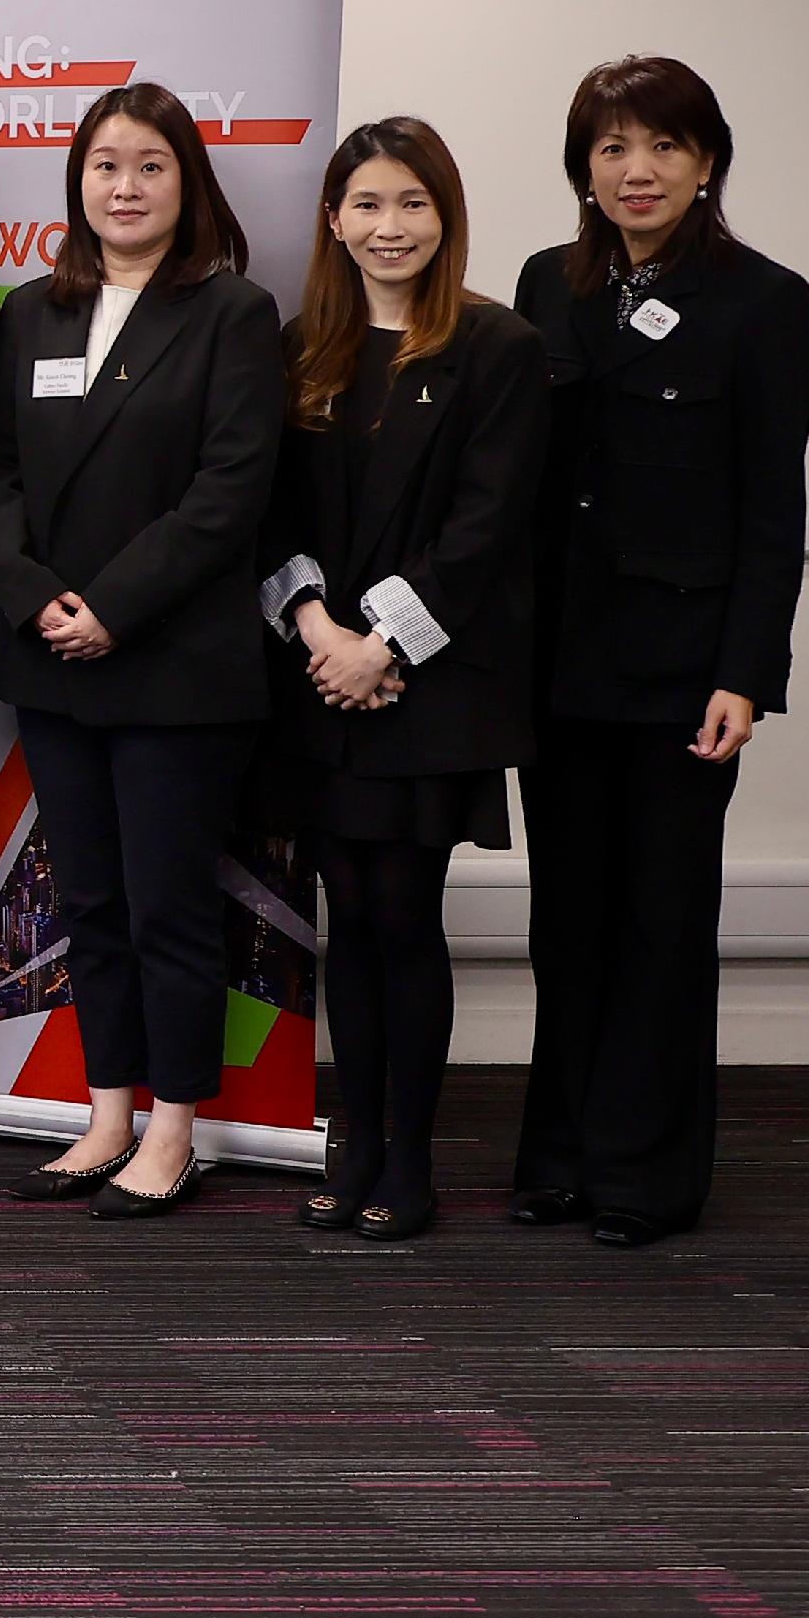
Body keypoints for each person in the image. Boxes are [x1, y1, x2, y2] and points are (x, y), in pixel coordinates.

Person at [511, 57, 809, 1248]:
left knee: (663, 917)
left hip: (689, 662)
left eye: (663, 148)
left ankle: (647, 1176)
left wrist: (749, 672)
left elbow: (770, 507)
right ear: (582, 169)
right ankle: (561, 1156)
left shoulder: (762, 297)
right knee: (565, 916)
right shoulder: (546, 283)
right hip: (559, 656)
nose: (636, 171)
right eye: (610, 149)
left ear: (706, 162)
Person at [0, 82, 283, 1218]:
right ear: (77, 183)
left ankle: (176, 1127)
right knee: (87, 900)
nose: (125, 187)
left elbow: (230, 493)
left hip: (173, 665)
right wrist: (39, 598)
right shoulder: (33, 311)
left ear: (184, 181)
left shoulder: (232, 313)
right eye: (105, 166)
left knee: (169, 906)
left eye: (148, 166)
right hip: (50, 657)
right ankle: (105, 1114)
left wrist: (112, 605)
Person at [255, 116, 546, 1244]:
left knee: (402, 917)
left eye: (412, 204)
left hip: (432, 687)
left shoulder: (495, 346)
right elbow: (270, 514)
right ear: (333, 218)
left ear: (445, 216)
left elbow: (487, 525)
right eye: (368, 205)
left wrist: (378, 645)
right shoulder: (300, 347)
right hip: (319, 681)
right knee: (342, 919)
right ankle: (352, 1144)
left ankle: (407, 1161)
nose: (390, 227)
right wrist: (322, 632)